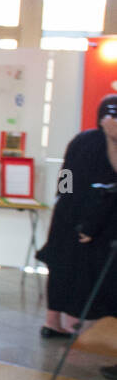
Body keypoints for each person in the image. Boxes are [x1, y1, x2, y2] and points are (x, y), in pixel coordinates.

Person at [37, 94, 117, 347]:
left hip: (76, 214)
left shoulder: (84, 139)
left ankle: (57, 322)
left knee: (67, 267)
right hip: (85, 217)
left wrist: (62, 199)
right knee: (74, 268)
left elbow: (67, 177)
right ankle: (68, 322)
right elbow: (94, 185)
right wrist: (81, 216)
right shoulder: (96, 143)